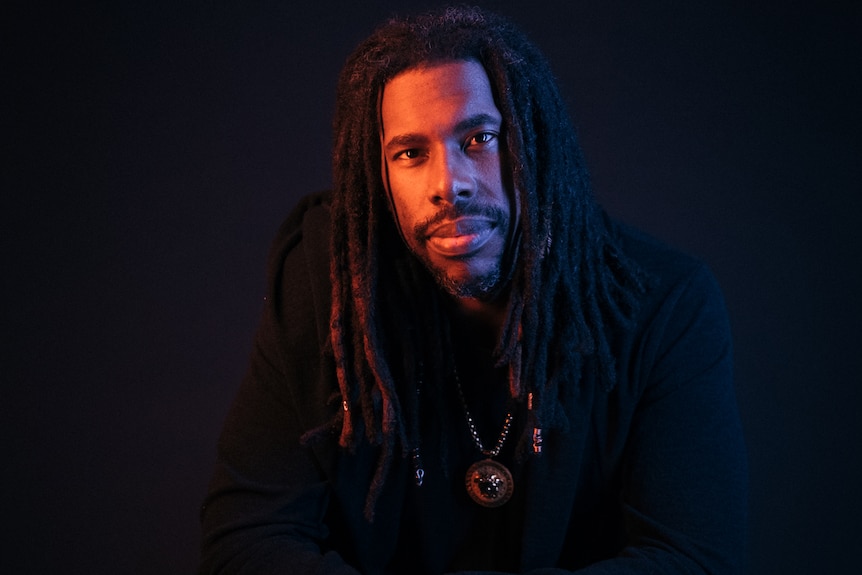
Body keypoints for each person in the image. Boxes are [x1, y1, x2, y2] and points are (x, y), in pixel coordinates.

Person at [199, 6, 748, 574]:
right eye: (410, 153)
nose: (448, 184)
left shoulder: (663, 304)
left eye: (480, 138)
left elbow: (695, 559)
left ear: (537, 142)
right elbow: (244, 543)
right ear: (379, 175)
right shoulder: (332, 288)